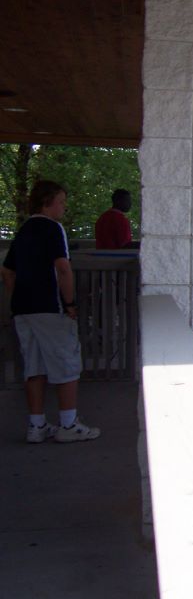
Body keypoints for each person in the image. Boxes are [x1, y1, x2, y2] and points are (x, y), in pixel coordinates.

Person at [2, 180, 100, 443]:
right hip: (50, 306)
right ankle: (68, 425)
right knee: (66, 364)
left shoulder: (23, 231)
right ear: (47, 203)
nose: (63, 208)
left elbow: (7, 271)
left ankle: (37, 425)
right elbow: (63, 268)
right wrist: (69, 303)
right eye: (61, 202)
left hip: (23, 309)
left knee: (34, 367)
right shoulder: (53, 229)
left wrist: (18, 298)